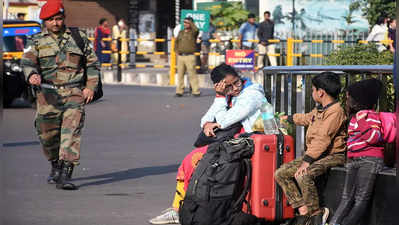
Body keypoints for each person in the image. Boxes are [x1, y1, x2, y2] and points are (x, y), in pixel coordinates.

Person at [149, 63, 267, 224]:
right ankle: (178, 208)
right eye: (229, 86)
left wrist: (220, 98)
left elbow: (225, 121)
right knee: (190, 160)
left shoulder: (252, 94)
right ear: (219, 86)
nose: (234, 88)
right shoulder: (227, 94)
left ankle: (181, 209)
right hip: (232, 142)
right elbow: (205, 119)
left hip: (248, 143)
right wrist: (207, 124)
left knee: (194, 159)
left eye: (236, 83)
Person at [21, 1, 99, 190]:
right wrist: (32, 75)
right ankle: (55, 164)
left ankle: (66, 173)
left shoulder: (78, 37)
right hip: (47, 94)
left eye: (58, 19)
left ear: (63, 18)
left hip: (74, 92)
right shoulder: (36, 40)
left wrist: (90, 87)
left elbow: (92, 64)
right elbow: (27, 62)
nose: (55, 23)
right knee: (48, 135)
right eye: (50, 20)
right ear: (44, 21)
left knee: (71, 132)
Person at [276, 72, 347, 225]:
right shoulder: (320, 109)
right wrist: (288, 118)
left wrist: (307, 161)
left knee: (303, 175)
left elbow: (323, 139)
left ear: (320, 92)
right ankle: (303, 210)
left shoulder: (336, 112)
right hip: (317, 155)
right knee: (281, 173)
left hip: (334, 155)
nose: (312, 93)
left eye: (313, 89)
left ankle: (316, 215)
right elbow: (307, 118)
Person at [328, 79, 387, 225]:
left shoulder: (370, 116)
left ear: (358, 100)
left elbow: (374, 137)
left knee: (361, 199)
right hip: (354, 160)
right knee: (347, 197)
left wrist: (362, 121)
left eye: (349, 97)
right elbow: (353, 142)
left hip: (370, 160)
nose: (347, 100)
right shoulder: (355, 117)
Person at [175, 17, 200, 97]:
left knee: (192, 74)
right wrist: (176, 52)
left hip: (190, 56)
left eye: (187, 22)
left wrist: (192, 23)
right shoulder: (181, 32)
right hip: (181, 56)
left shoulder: (193, 32)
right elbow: (176, 42)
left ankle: (195, 91)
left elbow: (196, 30)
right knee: (180, 75)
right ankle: (179, 91)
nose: (185, 24)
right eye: (184, 22)